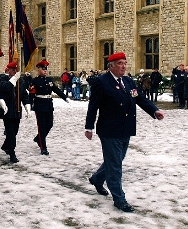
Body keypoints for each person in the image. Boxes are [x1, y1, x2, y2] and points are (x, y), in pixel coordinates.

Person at [84, 52, 164, 213]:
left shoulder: (128, 81)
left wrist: (154, 111)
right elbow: (93, 105)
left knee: (116, 159)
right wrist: (89, 127)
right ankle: (119, 199)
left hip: (126, 127)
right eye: (120, 63)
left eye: (125, 63)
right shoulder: (101, 82)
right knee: (115, 165)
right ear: (111, 66)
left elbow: (139, 98)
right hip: (109, 129)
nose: (123, 66)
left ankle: (97, 179)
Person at [29, 60, 69, 155]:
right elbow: (31, 94)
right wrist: (30, 105)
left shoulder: (49, 80)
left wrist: (64, 97)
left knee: (50, 124)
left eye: (46, 70)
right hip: (39, 106)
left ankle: (38, 138)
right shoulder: (35, 81)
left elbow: (56, 90)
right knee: (42, 127)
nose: (45, 71)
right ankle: (43, 147)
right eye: (43, 69)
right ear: (38, 70)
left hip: (48, 105)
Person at [0, 62, 31, 163]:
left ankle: (6, 146)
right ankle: (12, 153)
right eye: (12, 70)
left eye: (15, 70)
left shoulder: (19, 81)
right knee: (11, 133)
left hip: (17, 111)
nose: (14, 72)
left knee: (14, 132)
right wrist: (14, 79)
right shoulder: (3, 78)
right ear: (8, 70)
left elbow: (24, 95)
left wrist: (27, 108)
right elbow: (6, 87)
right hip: (7, 111)